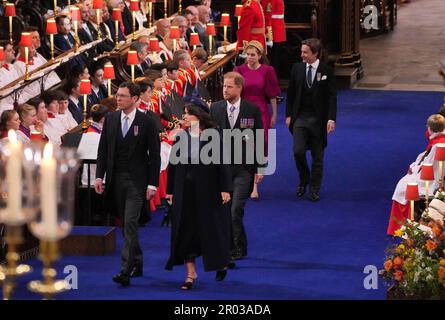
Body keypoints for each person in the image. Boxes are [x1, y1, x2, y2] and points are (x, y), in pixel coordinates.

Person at [95, 82, 161, 286]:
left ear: (134, 99)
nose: (118, 98)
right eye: (117, 95)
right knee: (126, 224)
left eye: (123, 96)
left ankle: (125, 269)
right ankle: (138, 261)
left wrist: (152, 184)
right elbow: (103, 150)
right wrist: (99, 176)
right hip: (115, 180)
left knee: (131, 222)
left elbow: (155, 156)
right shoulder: (112, 119)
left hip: (137, 182)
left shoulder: (147, 121)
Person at [165, 104, 232, 289]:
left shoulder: (214, 136)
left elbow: (223, 164)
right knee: (186, 232)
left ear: (199, 117)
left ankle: (220, 262)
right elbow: (173, 165)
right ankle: (190, 275)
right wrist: (170, 190)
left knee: (212, 230)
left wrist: (225, 189)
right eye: (184, 113)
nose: (184, 116)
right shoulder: (182, 137)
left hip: (208, 192)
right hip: (184, 192)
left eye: (188, 114)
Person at [210, 71, 264, 261]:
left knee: (235, 210)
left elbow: (259, 139)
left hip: (243, 169)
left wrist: (260, 168)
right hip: (221, 170)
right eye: (224, 86)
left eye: (229, 86)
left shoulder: (252, 110)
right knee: (226, 212)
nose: (225, 89)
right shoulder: (214, 109)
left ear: (240, 88)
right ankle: (239, 245)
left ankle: (234, 249)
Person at [285, 38, 337, 202]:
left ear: (315, 53)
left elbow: (331, 97)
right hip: (300, 117)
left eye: (305, 52)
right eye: (301, 51)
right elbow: (291, 93)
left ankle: (314, 188)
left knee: (318, 157)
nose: (302, 55)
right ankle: (304, 178)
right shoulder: (297, 68)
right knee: (298, 151)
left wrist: (331, 118)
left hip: (318, 120)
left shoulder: (326, 70)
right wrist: (288, 115)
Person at [234, 40, 280, 199]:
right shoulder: (239, 70)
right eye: (247, 54)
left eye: (253, 55)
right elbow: (234, 93)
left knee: (260, 143)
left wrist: (275, 114)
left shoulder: (268, 70)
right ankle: (249, 183)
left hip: (261, 111)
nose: (249, 57)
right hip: (245, 110)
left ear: (260, 55)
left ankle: (255, 184)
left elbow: (272, 94)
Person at [387, 114, 445, 235]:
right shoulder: (439, 141)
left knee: (403, 185)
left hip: (431, 180)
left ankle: (402, 224)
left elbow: (428, 166)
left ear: (429, 128)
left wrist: (413, 168)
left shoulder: (437, 146)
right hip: (435, 175)